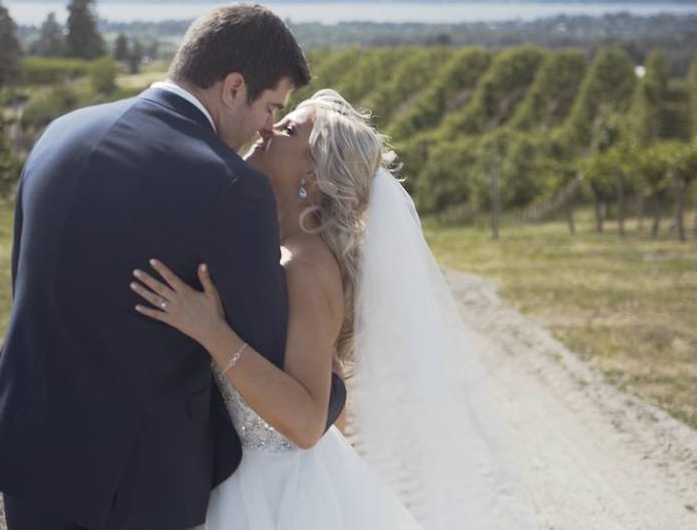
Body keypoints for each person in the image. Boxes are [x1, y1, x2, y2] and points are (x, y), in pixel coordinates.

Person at [0, 3, 347, 530]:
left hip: (28, 444)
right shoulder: (230, 188)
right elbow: (267, 371)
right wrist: (334, 385)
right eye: (271, 107)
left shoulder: (59, 135)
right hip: (134, 482)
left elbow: (29, 286)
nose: (266, 129)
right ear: (234, 88)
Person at [130, 90, 537, 529]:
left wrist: (209, 329)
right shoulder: (296, 253)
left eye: (289, 130)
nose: (268, 129)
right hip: (285, 485)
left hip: (270, 495)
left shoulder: (301, 263)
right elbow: (334, 411)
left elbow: (307, 424)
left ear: (313, 176)